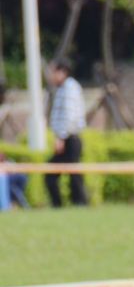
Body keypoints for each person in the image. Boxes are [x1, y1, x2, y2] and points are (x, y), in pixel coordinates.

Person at [46, 58, 88, 207]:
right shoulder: (63, 88)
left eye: (53, 71)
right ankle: (75, 204)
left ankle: (78, 203)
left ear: (62, 72)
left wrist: (61, 137)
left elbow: (68, 116)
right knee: (69, 172)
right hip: (68, 137)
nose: (51, 75)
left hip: (70, 137)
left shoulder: (69, 88)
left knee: (71, 173)